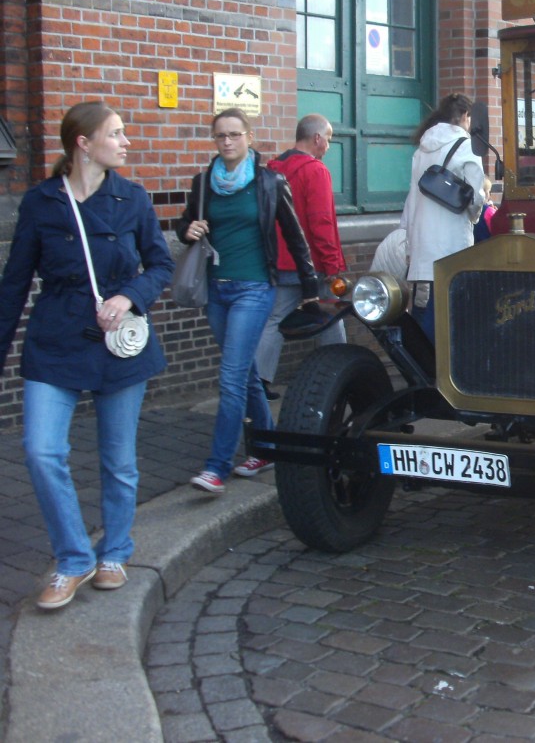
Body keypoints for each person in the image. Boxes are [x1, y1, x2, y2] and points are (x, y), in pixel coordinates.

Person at [0, 102, 173, 609]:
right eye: (115, 134)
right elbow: (14, 284)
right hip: (55, 339)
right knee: (40, 450)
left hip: (119, 342)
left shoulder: (133, 199)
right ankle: (74, 557)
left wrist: (129, 296)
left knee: (118, 460)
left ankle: (114, 551)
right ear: (83, 143)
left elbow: (160, 264)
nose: (125, 142)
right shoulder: (41, 203)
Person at [177, 108, 319, 495]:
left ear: (249, 137)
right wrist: (187, 230)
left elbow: (294, 235)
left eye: (235, 135)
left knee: (231, 376)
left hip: (254, 289)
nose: (227, 142)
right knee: (245, 375)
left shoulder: (269, 182)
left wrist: (310, 288)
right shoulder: (204, 183)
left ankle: (216, 467)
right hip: (216, 290)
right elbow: (186, 224)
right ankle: (268, 447)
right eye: (220, 136)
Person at [253, 114, 347, 416]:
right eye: (329, 139)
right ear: (317, 138)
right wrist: (332, 263)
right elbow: (321, 222)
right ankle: (342, 372)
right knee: (332, 314)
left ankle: (258, 381)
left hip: (279, 261)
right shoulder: (315, 171)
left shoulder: (272, 169)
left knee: (273, 320)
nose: (329, 146)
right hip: (311, 263)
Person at [404, 93, 490, 340]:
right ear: (465, 116)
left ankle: (423, 368)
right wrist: (473, 218)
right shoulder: (467, 145)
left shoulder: (422, 148)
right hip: (452, 243)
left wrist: (410, 242)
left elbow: (411, 199)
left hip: (422, 243)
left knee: (425, 309)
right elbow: (476, 197)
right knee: (452, 314)